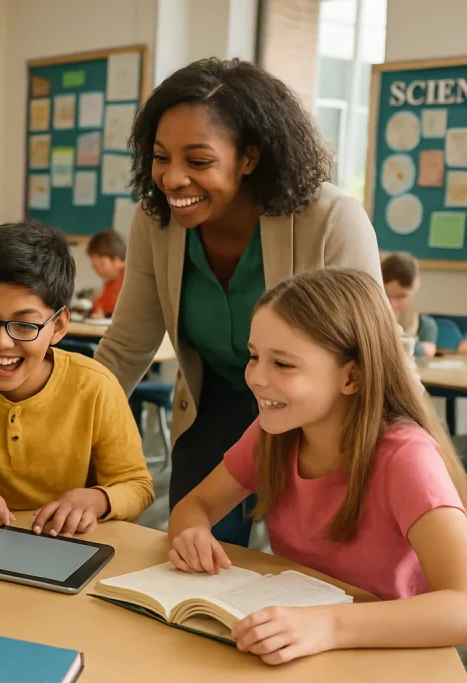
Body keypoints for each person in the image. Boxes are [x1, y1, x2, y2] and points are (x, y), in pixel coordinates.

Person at [93, 57, 383, 547]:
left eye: (198, 161)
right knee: (192, 556)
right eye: (161, 157)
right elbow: (126, 347)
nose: (172, 179)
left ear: (249, 157)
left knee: (315, 570)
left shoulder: (332, 219)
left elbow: (376, 354)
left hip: (322, 418)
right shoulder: (156, 221)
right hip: (219, 405)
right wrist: (66, 425)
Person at [168, 268, 467, 665]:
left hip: (389, 655)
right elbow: (196, 505)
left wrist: (327, 626)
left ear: (353, 376)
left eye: (284, 365)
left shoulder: (406, 457)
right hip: (300, 645)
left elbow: (461, 605)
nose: (256, 377)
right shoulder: (274, 433)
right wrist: (192, 533)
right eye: (254, 356)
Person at [0, 221, 153, 536]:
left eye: (25, 326)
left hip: (62, 546)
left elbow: (137, 486)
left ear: (58, 326)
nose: (1, 342)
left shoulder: (96, 387)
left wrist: (96, 499)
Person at [382, 252, 438, 359]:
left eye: (401, 297)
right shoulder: (367, 320)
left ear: (415, 287)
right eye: (386, 296)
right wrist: (418, 348)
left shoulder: (425, 326)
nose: (392, 304)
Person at [86, 230, 127, 318]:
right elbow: (100, 307)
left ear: (117, 261)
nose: (99, 271)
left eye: (102, 264)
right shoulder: (111, 281)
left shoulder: (129, 279)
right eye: (95, 267)